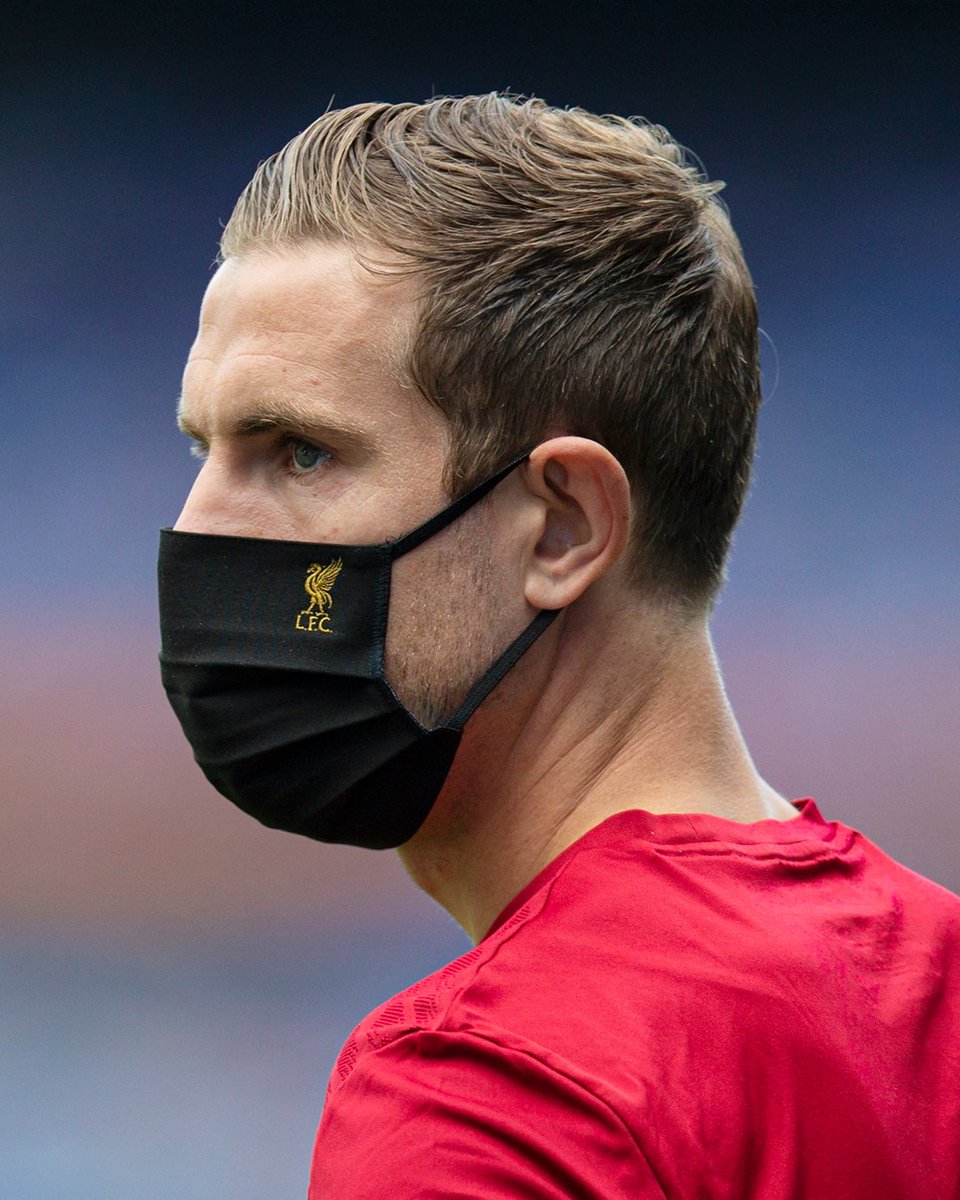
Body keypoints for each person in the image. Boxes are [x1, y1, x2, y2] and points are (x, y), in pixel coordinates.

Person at [157, 94, 960, 1198]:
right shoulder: (934, 979)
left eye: (299, 452)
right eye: (200, 450)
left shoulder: (492, 1097)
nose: (198, 528)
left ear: (563, 528)